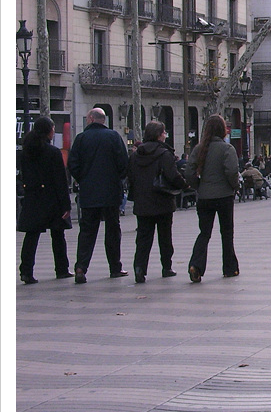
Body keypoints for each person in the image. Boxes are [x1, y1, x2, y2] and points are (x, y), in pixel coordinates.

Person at [68, 107, 130, 283]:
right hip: (111, 192)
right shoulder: (114, 137)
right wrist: (116, 179)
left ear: (90, 118)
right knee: (113, 230)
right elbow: (123, 163)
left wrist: (83, 178)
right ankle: (115, 267)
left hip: (89, 193)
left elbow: (73, 164)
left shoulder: (81, 138)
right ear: (104, 120)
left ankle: (81, 267)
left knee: (87, 231)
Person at [126, 121, 188, 282]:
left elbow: (130, 177)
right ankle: (166, 267)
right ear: (159, 135)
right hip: (162, 200)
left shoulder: (135, 155)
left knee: (143, 238)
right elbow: (172, 176)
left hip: (142, 202)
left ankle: (139, 268)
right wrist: (185, 185)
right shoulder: (164, 154)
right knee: (165, 237)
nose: (165, 135)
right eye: (164, 132)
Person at [17, 116, 73, 283]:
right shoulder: (53, 152)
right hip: (52, 198)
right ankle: (61, 269)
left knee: (31, 236)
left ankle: (26, 271)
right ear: (48, 131)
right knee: (58, 234)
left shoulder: (26, 152)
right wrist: (66, 204)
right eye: (53, 129)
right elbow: (60, 180)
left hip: (33, 197)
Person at [185, 115, 240, 283]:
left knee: (204, 233)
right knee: (227, 233)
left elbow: (189, 172)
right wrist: (234, 186)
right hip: (224, 196)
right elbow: (232, 171)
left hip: (205, 197)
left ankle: (196, 265)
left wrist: (198, 186)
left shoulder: (199, 149)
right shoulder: (227, 149)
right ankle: (229, 267)